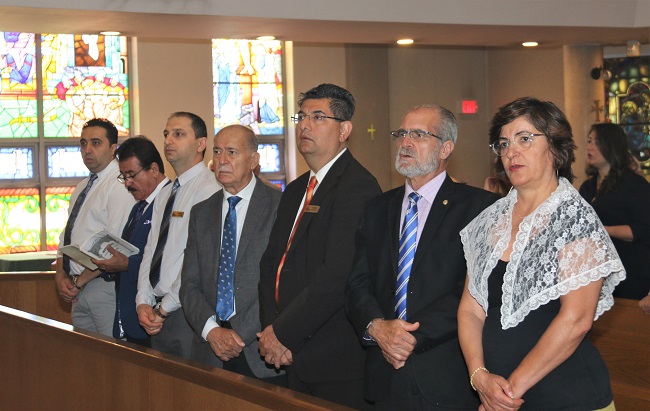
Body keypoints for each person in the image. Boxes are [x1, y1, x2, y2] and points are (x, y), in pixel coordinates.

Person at [458, 97, 626, 410]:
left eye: (524, 139)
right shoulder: (489, 221)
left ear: (555, 148)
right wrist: (479, 376)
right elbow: (471, 308)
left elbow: (576, 320)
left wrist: (507, 394)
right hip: (496, 392)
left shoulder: (575, 219)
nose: (511, 151)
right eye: (503, 143)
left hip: (566, 397)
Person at [345, 105, 498, 410]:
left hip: (445, 374)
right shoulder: (376, 209)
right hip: (385, 374)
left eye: (418, 135)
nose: (405, 142)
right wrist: (377, 327)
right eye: (401, 134)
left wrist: (409, 336)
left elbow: (475, 290)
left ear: (446, 148)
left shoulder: (480, 208)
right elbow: (357, 284)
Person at [258, 83, 381, 409]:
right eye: (301, 117)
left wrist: (283, 333)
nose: (305, 125)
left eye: (318, 117)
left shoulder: (358, 187)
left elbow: (335, 276)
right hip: (290, 351)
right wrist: (270, 329)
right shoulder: (296, 189)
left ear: (344, 130)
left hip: (333, 359)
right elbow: (271, 263)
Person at [180, 125, 284, 383]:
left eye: (232, 152)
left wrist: (238, 334)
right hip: (209, 348)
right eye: (217, 152)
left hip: (259, 349)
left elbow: (280, 282)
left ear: (254, 160)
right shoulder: (201, 212)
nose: (222, 160)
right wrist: (212, 331)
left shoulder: (279, 206)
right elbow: (189, 284)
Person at [136, 112, 220, 359]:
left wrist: (164, 308)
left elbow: (197, 261)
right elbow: (151, 250)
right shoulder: (166, 192)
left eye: (179, 134)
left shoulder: (210, 189)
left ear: (201, 144)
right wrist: (143, 300)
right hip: (157, 310)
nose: (168, 141)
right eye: (166, 134)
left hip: (186, 310)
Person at [54, 118, 135, 336]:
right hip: (78, 286)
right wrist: (60, 276)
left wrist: (78, 282)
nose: (87, 150)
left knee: (111, 353)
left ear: (113, 148)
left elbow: (114, 246)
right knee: (86, 353)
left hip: (104, 285)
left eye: (96, 143)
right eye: (83, 143)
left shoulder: (119, 184)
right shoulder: (83, 186)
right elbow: (66, 236)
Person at [87, 136, 169, 347]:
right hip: (132, 314)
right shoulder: (139, 206)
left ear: (153, 169)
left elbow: (169, 258)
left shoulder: (170, 201)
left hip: (155, 317)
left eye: (131, 175)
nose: (128, 184)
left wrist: (126, 264)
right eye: (123, 177)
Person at [578, 123, 650, 301]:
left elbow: (641, 230)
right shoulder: (587, 187)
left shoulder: (635, 185)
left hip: (630, 272)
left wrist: (602, 230)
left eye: (597, 142)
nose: (589, 147)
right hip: (597, 273)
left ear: (612, 146)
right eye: (589, 141)